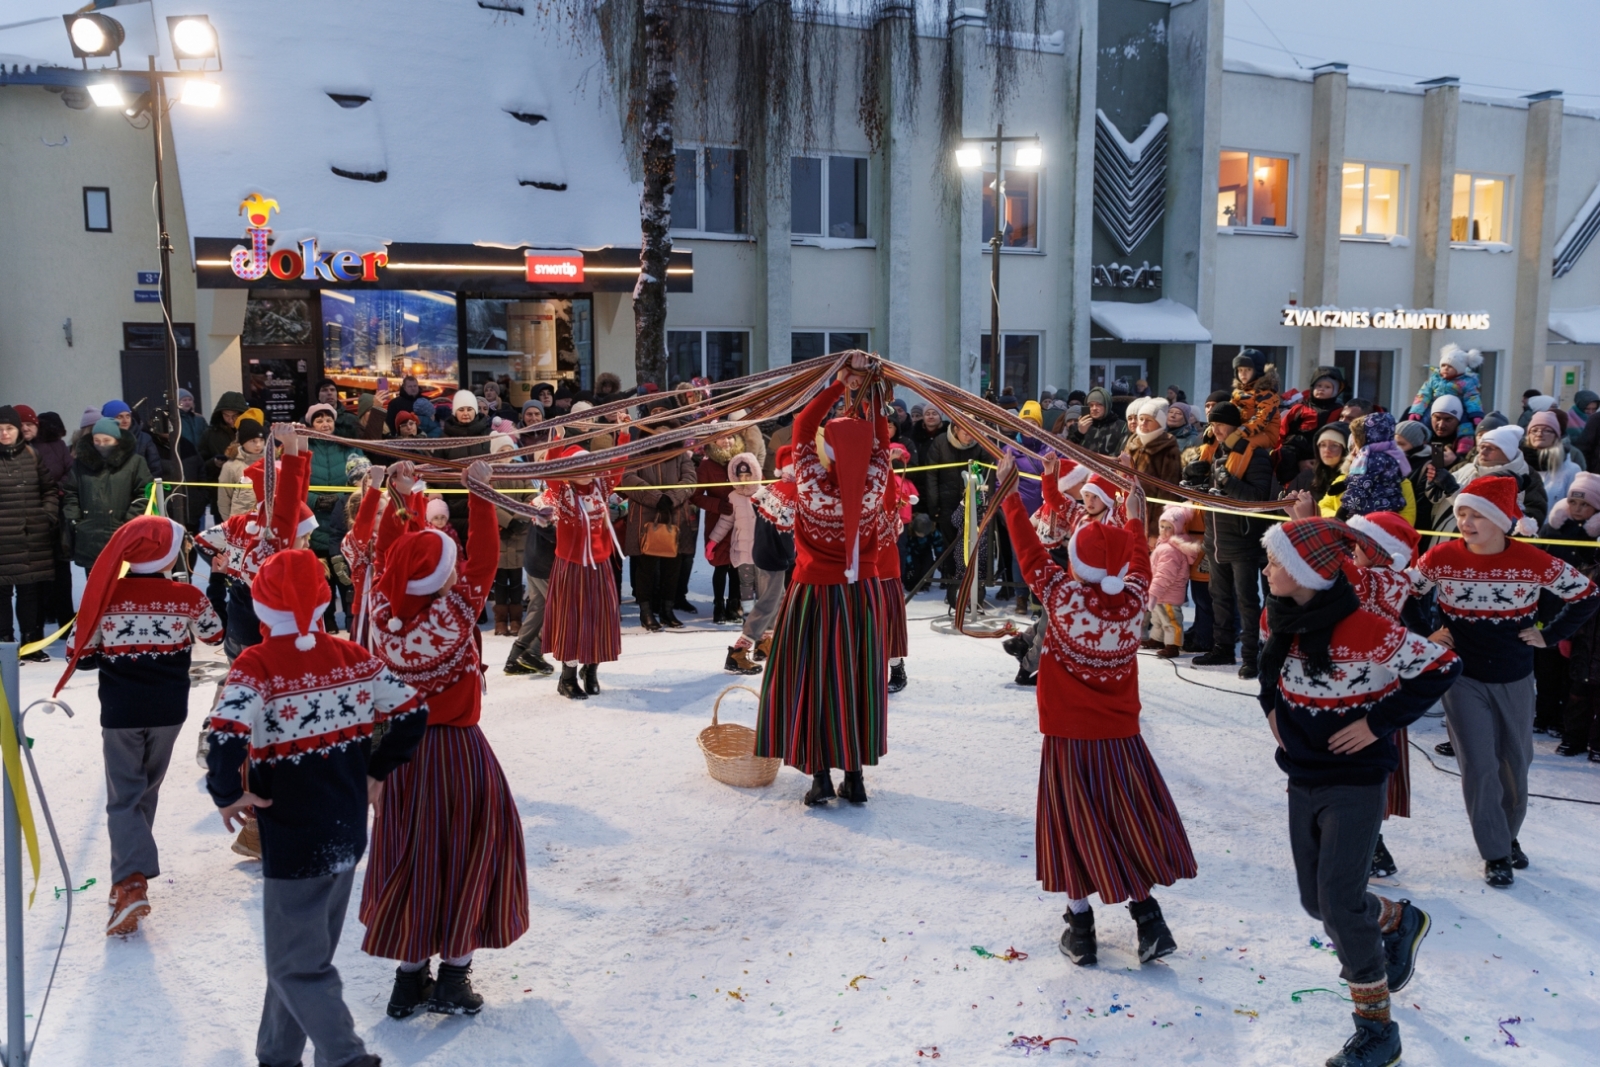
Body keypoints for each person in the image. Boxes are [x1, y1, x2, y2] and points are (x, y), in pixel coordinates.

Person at [206, 549, 425, 1067]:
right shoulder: (352, 655)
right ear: (325, 600)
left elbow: (224, 733)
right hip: (346, 829)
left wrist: (225, 792)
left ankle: (347, 1059)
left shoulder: (256, 663)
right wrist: (376, 770)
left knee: (296, 968)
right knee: (302, 958)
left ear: (261, 606)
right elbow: (412, 709)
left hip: (294, 837)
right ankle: (277, 1056)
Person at [1257, 516, 1459, 1067]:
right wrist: (1271, 710)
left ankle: (1378, 1031)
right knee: (1313, 901)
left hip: (1356, 778)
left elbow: (1442, 665)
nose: (1268, 568)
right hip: (1303, 773)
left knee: (1341, 906)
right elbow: (1266, 671)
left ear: (1306, 573)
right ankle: (1397, 920)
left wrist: (1377, 724)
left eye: (1276, 561)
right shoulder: (1278, 615)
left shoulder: (1366, 626)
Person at [995, 451, 1194, 966]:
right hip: (1122, 738)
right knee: (1124, 821)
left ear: (1076, 560)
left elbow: (1027, 553)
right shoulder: (1133, 600)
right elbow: (1141, 562)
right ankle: (1148, 920)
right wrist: (1134, 515)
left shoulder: (1060, 595)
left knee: (1072, 825)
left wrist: (1010, 493)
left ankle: (1081, 926)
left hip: (1068, 737)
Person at [360, 460, 529, 1018]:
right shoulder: (459, 609)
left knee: (415, 860)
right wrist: (479, 491)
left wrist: (403, 498)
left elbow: (395, 557)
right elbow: (480, 553)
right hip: (459, 755)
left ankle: (409, 982)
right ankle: (454, 978)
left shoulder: (383, 612)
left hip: (400, 757)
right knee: (468, 855)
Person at [1414, 475, 1599, 886]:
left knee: (1515, 764)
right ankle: (1495, 850)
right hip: (1462, 676)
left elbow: (1586, 595)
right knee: (1479, 765)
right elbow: (1407, 593)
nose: (1466, 521)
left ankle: (1507, 835)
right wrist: (1424, 635)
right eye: (1461, 513)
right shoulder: (1441, 557)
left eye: (1477, 514)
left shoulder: (1532, 560)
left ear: (1501, 520)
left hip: (1515, 676)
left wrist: (1549, 634)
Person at [52, 516, 221, 934]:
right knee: (144, 790)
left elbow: (81, 652)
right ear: (168, 555)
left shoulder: (105, 596)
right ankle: (127, 880)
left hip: (121, 712)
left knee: (124, 796)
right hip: (169, 711)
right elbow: (215, 636)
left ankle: (131, 883)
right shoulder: (186, 596)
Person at [756, 354, 892, 806]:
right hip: (861, 596)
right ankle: (854, 777)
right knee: (855, 681)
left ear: (825, 452)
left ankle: (820, 777)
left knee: (813, 681)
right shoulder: (875, 481)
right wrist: (868, 389)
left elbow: (802, 424)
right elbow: (879, 441)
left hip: (813, 596)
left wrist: (841, 384)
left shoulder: (810, 481)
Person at [1343, 511, 1426, 880]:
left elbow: (1326, 571)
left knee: (1367, 772)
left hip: (1373, 696)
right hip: (1341, 689)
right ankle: (1351, 838)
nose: (1349, 551)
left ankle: (1368, 845)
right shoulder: (1357, 575)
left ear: (1383, 553)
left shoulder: (1387, 582)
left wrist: (1309, 522)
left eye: (1358, 544)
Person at [543, 420, 629, 699]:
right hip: (571, 567)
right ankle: (566, 678)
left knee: (600, 620)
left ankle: (590, 670)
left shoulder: (600, 487)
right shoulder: (562, 492)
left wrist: (624, 433)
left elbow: (618, 465)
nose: (587, 472)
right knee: (573, 621)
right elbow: (549, 471)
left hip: (600, 565)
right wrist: (556, 443)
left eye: (590, 466)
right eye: (579, 468)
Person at [1192, 402, 1275, 678]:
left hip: (1243, 540)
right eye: (1212, 425)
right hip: (1216, 538)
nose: (1214, 430)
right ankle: (1222, 648)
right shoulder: (1218, 454)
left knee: (1246, 601)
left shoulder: (1255, 454)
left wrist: (1227, 483)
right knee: (1220, 598)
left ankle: (1251, 657)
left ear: (1234, 426)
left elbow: (1258, 496)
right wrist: (1195, 487)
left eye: (1220, 425)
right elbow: (1218, 495)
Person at [621, 415, 696, 632]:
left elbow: (690, 480)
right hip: (645, 516)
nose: (661, 435)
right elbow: (628, 479)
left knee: (672, 566)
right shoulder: (637, 453)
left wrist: (672, 498)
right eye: (657, 430)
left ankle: (667, 609)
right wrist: (656, 498)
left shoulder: (680, 455)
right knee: (646, 567)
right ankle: (646, 611)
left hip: (675, 515)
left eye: (666, 431)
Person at [0, 406, 59, 660]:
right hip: (2, 539)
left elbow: (49, 490)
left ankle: (30, 642)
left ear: (17, 430)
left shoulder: (32, 455)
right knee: (1, 593)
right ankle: (5, 643)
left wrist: (47, 515)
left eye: (10, 428)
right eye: (0, 429)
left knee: (29, 592)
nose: (5, 433)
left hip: (29, 537)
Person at [61, 417, 154, 573]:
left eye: (106, 440)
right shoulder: (80, 463)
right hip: (89, 538)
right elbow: (71, 492)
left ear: (116, 440)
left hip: (123, 535)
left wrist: (128, 523)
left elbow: (145, 493)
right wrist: (76, 521)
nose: (101, 444)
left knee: (122, 591)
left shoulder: (135, 462)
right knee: (94, 590)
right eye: (97, 440)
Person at [1424, 424, 1548, 538]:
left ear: (1507, 453)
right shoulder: (1463, 468)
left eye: (1490, 448)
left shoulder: (1526, 477)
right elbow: (1435, 501)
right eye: (1482, 447)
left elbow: (1528, 523)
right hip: (1444, 545)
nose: (1483, 452)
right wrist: (1434, 482)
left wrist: (1454, 490)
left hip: (1487, 551)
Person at [1554, 475, 1600, 758]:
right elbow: (1575, 603)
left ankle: (1597, 743)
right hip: (1585, 638)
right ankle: (1573, 738)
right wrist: (1566, 634)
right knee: (1578, 692)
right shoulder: (1588, 570)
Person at [924, 417, 985, 607]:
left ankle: (973, 586)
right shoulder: (941, 443)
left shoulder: (979, 446)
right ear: (956, 428)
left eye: (972, 430)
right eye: (965, 430)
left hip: (973, 505)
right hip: (947, 504)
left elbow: (987, 473)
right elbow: (931, 475)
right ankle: (953, 586)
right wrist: (934, 505)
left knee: (973, 546)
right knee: (951, 546)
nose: (969, 434)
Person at [1321, 412, 1416, 524]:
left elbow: (1407, 518)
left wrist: (1343, 515)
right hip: (1345, 530)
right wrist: (1340, 519)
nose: (1354, 452)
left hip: (1379, 534)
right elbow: (1322, 507)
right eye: (1351, 448)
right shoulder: (1343, 478)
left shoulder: (1401, 482)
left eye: (1357, 446)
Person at [1406, 344, 1484, 448]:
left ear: (1460, 369)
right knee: (1426, 420)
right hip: (1435, 407)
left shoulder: (1466, 382)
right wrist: (1416, 410)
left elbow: (1472, 398)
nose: (1446, 368)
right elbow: (1423, 394)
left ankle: (1464, 442)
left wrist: (1476, 414)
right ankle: (1422, 440)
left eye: (1450, 366)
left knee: (1465, 422)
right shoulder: (1435, 379)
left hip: (1458, 409)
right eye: (1443, 365)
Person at [1145, 505, 1199, 658]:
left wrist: (1154, 592)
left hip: (1168, 592)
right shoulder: (1164, 544)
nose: (1163, 530)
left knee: (1171, 620)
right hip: (1161, 592)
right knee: (1158, 618)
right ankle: (1158, 639)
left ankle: (1173, 645)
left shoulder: (1170, 550)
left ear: (1177, 529)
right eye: (1162, 526)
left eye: (1168, 527)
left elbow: (1165, 574)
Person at [1121, 398, 1181, 528]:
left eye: (1149, 420)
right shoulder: (1132, 442)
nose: (1143, 423)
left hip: (1150, 516)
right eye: (1141, 419)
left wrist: (1156, 529)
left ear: (1159, 423)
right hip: (1126, 511)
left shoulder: (1168, 447)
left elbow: (1168, 494)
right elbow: (1120, 479)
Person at [1280, 366, 1346, 454]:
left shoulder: (1340, 410)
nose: (1321, 389)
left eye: (1327, 387)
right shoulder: (1300, 408)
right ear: (1312, 387)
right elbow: (1282, 429)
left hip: (1327, 451)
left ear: (1336, 391)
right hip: (1299, 451)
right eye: (1319, 385)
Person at [1229, 349, 1282, 449]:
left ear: (1257, 370)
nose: (1243, 374)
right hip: (1244, 431)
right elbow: (1228, 412)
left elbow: (1262, 418)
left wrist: (1239, 432)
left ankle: (1232, 465)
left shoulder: (1267, 392)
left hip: (1265, 434)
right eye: (1240, 370)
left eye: (1248, 370)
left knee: (1243, 445)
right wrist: (1215, 426)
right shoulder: (1237, 393)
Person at [1526, 409, 1581, 505]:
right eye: (1534, 430)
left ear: (1556, 436)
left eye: (1547, 430)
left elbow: (1574, 507)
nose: (1539, 434)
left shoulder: (1571, 470)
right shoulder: (1518, 465)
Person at [1067, 387, 1128, 457]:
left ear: (1107, 405)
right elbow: (1066, 451)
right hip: (1083, 466)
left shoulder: (1121, 426)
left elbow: (1122, 454)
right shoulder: (1077, 426)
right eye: (1090, 405)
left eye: (1099, 404)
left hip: (1109, 466)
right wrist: (1079, 433)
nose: (1094, 408)